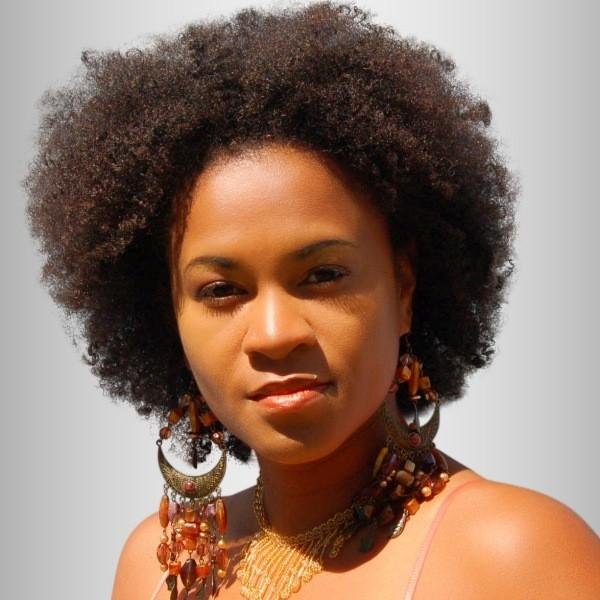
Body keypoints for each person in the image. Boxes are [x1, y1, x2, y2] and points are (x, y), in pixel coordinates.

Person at [24, 2, 600, 599]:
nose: (275, 334)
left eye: (322, 275)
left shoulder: (512, 554)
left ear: (404, 286)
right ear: (167, 314)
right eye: (221, 290)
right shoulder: (157, 567)